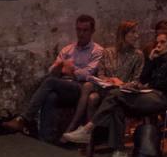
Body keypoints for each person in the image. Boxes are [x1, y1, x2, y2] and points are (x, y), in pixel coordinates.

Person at [89, 30, 167, 157]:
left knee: (115, 95)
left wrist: (147, 85)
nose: (159, 45)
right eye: (157, 42)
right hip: (149, 94)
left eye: (163, 42)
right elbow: (143, 78)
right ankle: (120, 153)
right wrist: (150, 60)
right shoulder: (157, 60)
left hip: (164, 98)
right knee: (117, 106)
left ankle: (90, 127)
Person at [6, 15, 104, 143]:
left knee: (50, 82)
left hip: (81, 88)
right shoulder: (68, 49)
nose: (81, 33)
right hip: (62, 84)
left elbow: (88, 73)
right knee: (51, 95)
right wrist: (59, 67)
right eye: (78, 30)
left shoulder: (97, 51)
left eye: (85, 30)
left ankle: (24, 118)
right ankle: (47, 139)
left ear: (92, 31)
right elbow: (52, 70)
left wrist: (72, 69)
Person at [61, 20, 144, 144]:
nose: (137, 36)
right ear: (123, 34)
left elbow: (137, 80)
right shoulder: (108, 52)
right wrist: (107, 80)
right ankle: (83, 133)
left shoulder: (138, 55)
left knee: (92, 97)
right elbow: (100, 73)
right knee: (89, 88)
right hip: (106, 88)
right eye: (133, 32)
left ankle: (80, 130)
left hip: (122, 92)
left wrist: (120, 83)